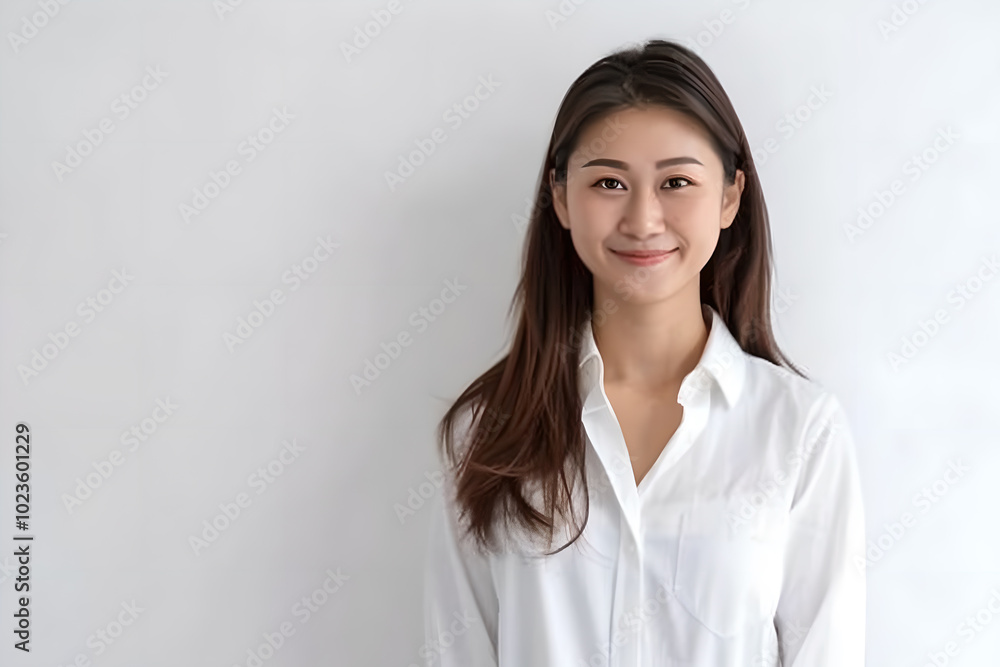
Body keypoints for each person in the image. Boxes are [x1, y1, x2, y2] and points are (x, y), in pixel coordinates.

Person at [422, 38, 865, 666]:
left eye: (676, 181)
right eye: (608, 182)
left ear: (730, 197)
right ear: (560, 198)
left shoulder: (799, 432)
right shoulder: (488, 432)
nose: (643, 218)